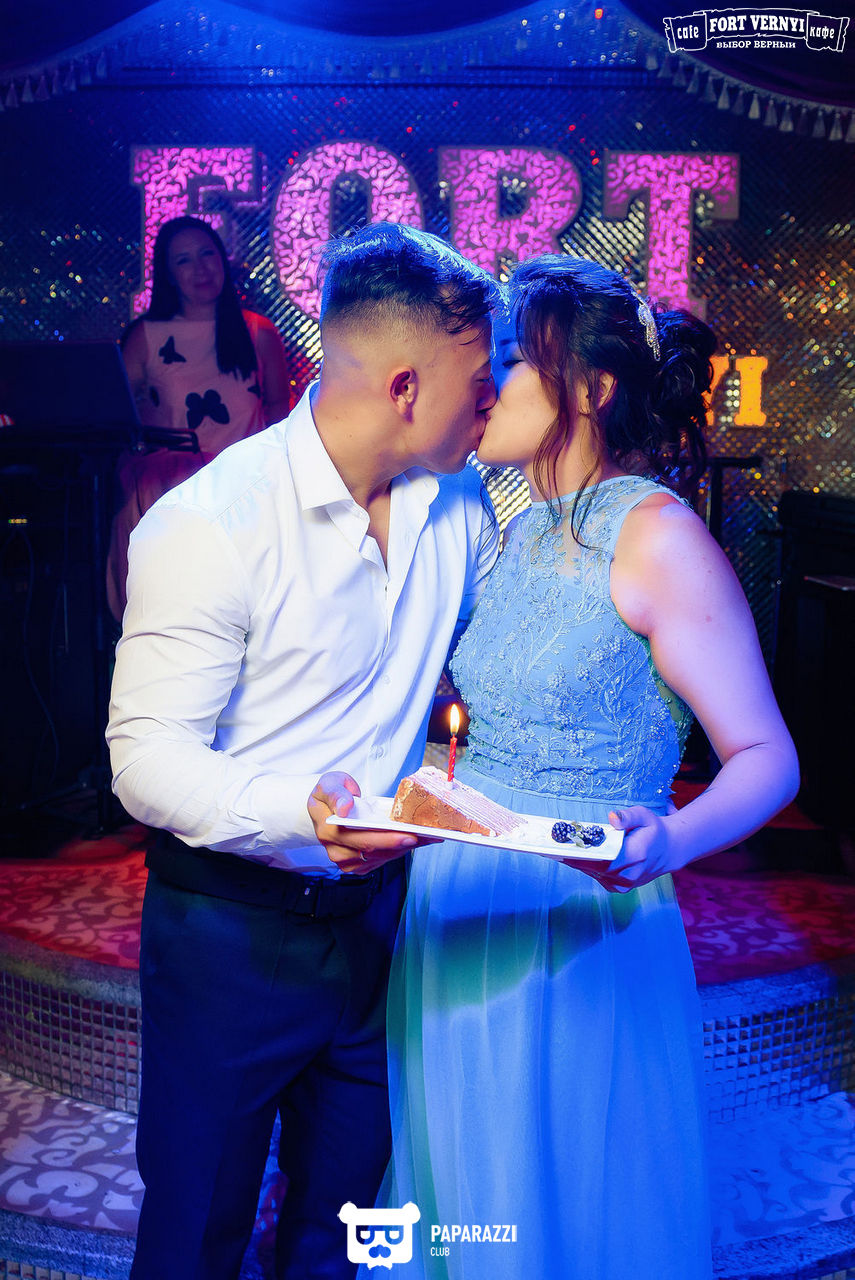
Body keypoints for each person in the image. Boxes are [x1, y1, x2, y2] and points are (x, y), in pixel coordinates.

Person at [312, 256, 799, 1278]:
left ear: (591, 387)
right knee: (465, 1188)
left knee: (561, 1195)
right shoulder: (511, 525)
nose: (486, 383)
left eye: (511, 361)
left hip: (575, 913)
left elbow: (768, 758)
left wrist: (672, 837)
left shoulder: (657, 535)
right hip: (456, 901)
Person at [106, 222, 499, 1280]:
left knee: (341, 1238)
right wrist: (301, 812)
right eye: (480, 384)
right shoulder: (212, 521)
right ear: (406, 387)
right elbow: (144, 758)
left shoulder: (459, 500)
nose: (494, 404)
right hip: (230, 934)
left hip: (379, 931)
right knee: (194, 1238)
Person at [107, 215, 292, 619]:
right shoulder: (146, 337)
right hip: (172, 487)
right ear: (169, 275)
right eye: (184, 260)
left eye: (207, 254)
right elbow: (116, 415)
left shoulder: (258, 331)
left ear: (223, 259)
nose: (200, 269)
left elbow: (281, 412)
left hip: (247, 486)